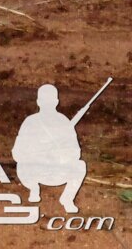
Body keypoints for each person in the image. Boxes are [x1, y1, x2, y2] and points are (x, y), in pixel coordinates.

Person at [13, 84, 90, 212]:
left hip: (57, 170)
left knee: (80, 165)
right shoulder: (30, 122)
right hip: (34, 171)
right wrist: (37, 155)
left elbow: (75, 153)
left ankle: (67, 198)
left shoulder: (63, 122)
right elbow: (17, 153)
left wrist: (58, 155)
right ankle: (33, 188)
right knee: (21, 165)